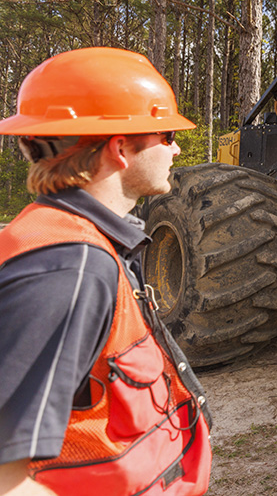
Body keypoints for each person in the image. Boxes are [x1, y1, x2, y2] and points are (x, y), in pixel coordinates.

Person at [0, 47, 212, 496]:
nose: (176, 148)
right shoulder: (68, 265)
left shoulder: (82, 244)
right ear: (120, 148)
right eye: (167, 133)